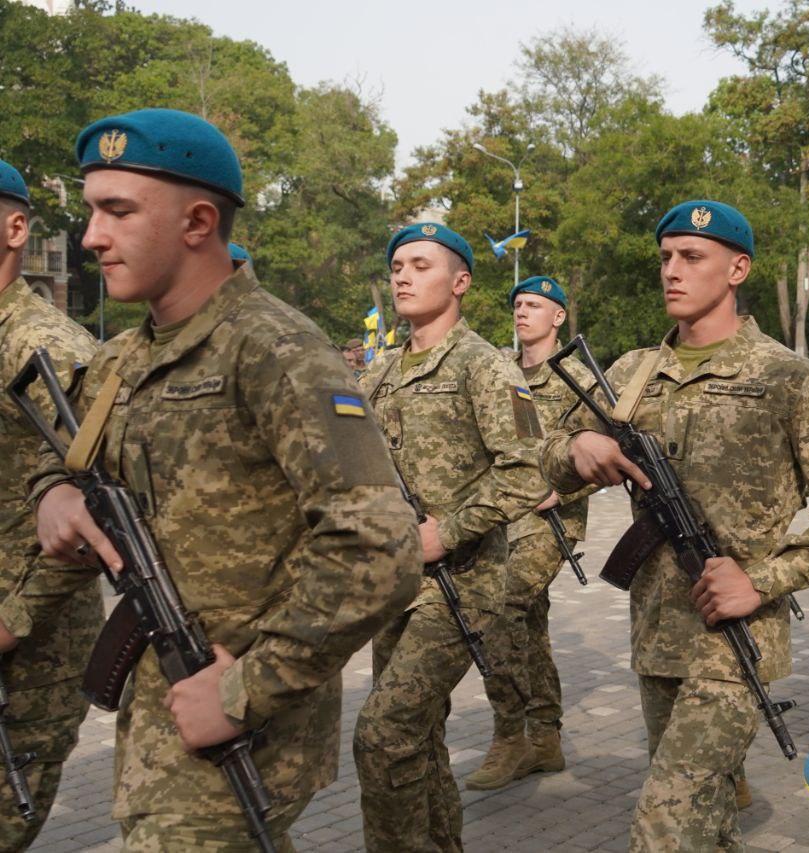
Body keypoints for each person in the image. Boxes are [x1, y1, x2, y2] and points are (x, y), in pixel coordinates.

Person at [5, 108, 420, 850]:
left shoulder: (277, 352)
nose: (91, 235)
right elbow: (59, 458)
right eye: (92, 208)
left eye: (117, 211)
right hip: (158, 720)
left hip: (243, 731)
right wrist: (57, 495)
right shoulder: (120, 361)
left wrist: (243, 690)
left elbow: (380, 549)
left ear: (198, 222)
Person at [540, 200, 809, 850]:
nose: (672, 270)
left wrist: (762, 578)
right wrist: (575, 450)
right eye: (666, 256)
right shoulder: (631, 375)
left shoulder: (789, 378)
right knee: (705, 825)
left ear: (737, 268)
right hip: (655, 636)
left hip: (735, 641)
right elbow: (546, 458)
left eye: (691, 256)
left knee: (663, 830)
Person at [352, 222, 548, 852]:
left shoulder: (485, 367)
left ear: (460, 281)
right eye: (397, 266)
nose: (403, 276)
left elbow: (527, 472)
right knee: (419, 737)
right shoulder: (379, 374)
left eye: (420, 265)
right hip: (395, 585)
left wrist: (450, 531)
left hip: (461, 588)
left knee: (382, 733)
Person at [0, 158, 103, 849]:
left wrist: (11, 621)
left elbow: (98, 505)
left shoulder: (48, 347)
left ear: (14, 227)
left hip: (26, 646)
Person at [465, 275, 592, 792]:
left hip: (549, 521)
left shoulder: (575, 377)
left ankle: (510, 734)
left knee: (496, 610)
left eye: (534, 305)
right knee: (528, 627)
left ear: (557, 316)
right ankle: (545, 738)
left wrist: (562, 493)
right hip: (502, 518)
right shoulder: (500, 372)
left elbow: (600, 452)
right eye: (517, 304)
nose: (522, 312)